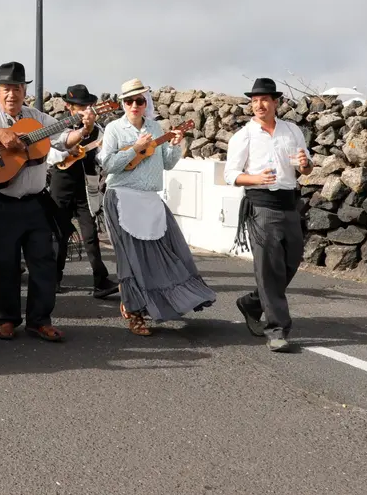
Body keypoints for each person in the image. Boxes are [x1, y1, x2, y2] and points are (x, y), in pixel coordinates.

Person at [98, 78, 216, 336]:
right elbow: (107, 165)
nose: (135, 105)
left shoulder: (155, 127)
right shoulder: (114, 130)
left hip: (150, 198)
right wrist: (134, 150)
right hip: (122, 197)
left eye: (140, 100)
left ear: (146, 102)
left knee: (169, 251)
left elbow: (167, 163)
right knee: (131, 260)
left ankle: (169, 301)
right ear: (123, 103)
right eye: (129, 101)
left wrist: (175, 145)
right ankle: (135, 313)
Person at [0, 61, 65, 342]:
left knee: (43, 262)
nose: (11, 95)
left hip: (35, 203)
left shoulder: (37, 118)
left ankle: (39, 320)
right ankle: (7, 319)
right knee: (5, 264)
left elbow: (63, 138)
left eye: (17, 89)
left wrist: (83, 128)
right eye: (6, 89)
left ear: (25, 91)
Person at [225, 78, 312, 352]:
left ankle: (251, 302)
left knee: (292, 261)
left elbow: (305, 168)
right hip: (260, 205)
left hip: (289, 203)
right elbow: (231, 175)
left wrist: (305, 164)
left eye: (264, 99)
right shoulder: (244, 136)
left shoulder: (292, 131)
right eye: (254, 100)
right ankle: (277, 330)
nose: (258, 105)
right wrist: (255, 178)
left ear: (276, 102)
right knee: (268, 267)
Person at [48, 84, 117, 298]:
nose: (84, 109)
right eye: (79, 106)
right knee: (59, 234)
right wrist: (68, 152)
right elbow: (51, 152)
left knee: (90, 235)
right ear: (69, 107)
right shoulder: (57, 126)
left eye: (87, 105)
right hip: (61, 184)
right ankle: (54, 278)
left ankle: (100, 280)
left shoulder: (99, 131)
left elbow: (101, 156)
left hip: (86, 186)